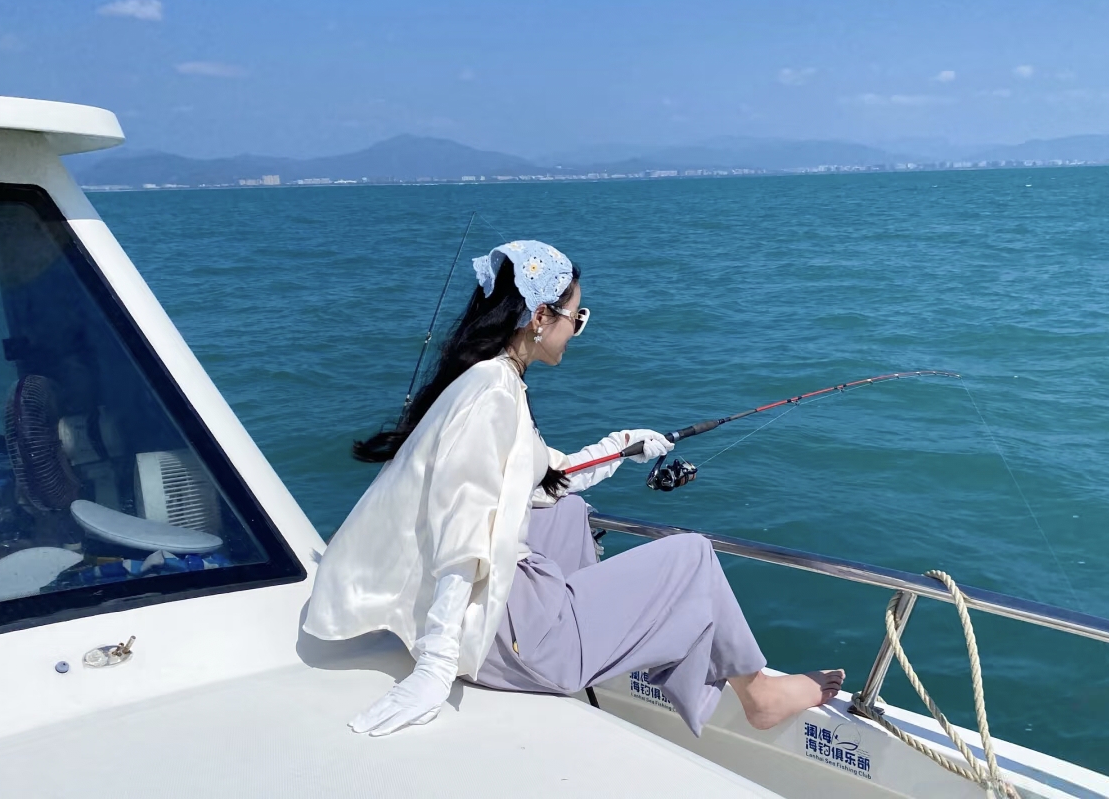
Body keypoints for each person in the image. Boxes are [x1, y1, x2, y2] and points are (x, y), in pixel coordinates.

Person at [303, 240, 844, 738]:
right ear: (540, 317)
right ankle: (760, 696)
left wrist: (623, 445)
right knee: (693, 558)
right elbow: (463, 534)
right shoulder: (493, 397)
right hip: (507, 642)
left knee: (567, 511)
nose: (578, 330)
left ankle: (596, 630)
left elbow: (543, 479)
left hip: (498, 620)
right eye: (576, 318)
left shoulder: (490, 378)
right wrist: (436, 668)